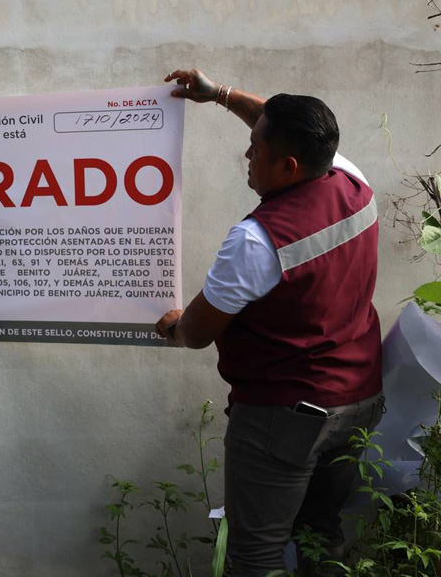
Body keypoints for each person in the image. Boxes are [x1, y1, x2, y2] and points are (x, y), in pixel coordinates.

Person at [154, 69, 384, 576]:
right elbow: (272, 121)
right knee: (322, 537)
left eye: (255, 150)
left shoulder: (257, 242)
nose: (247, 154)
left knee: (254, 556)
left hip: (285, 417)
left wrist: (173, 325)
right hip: (360, 400)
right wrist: (220, 95)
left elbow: (196, 332)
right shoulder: (352, 180)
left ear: (288, 165)